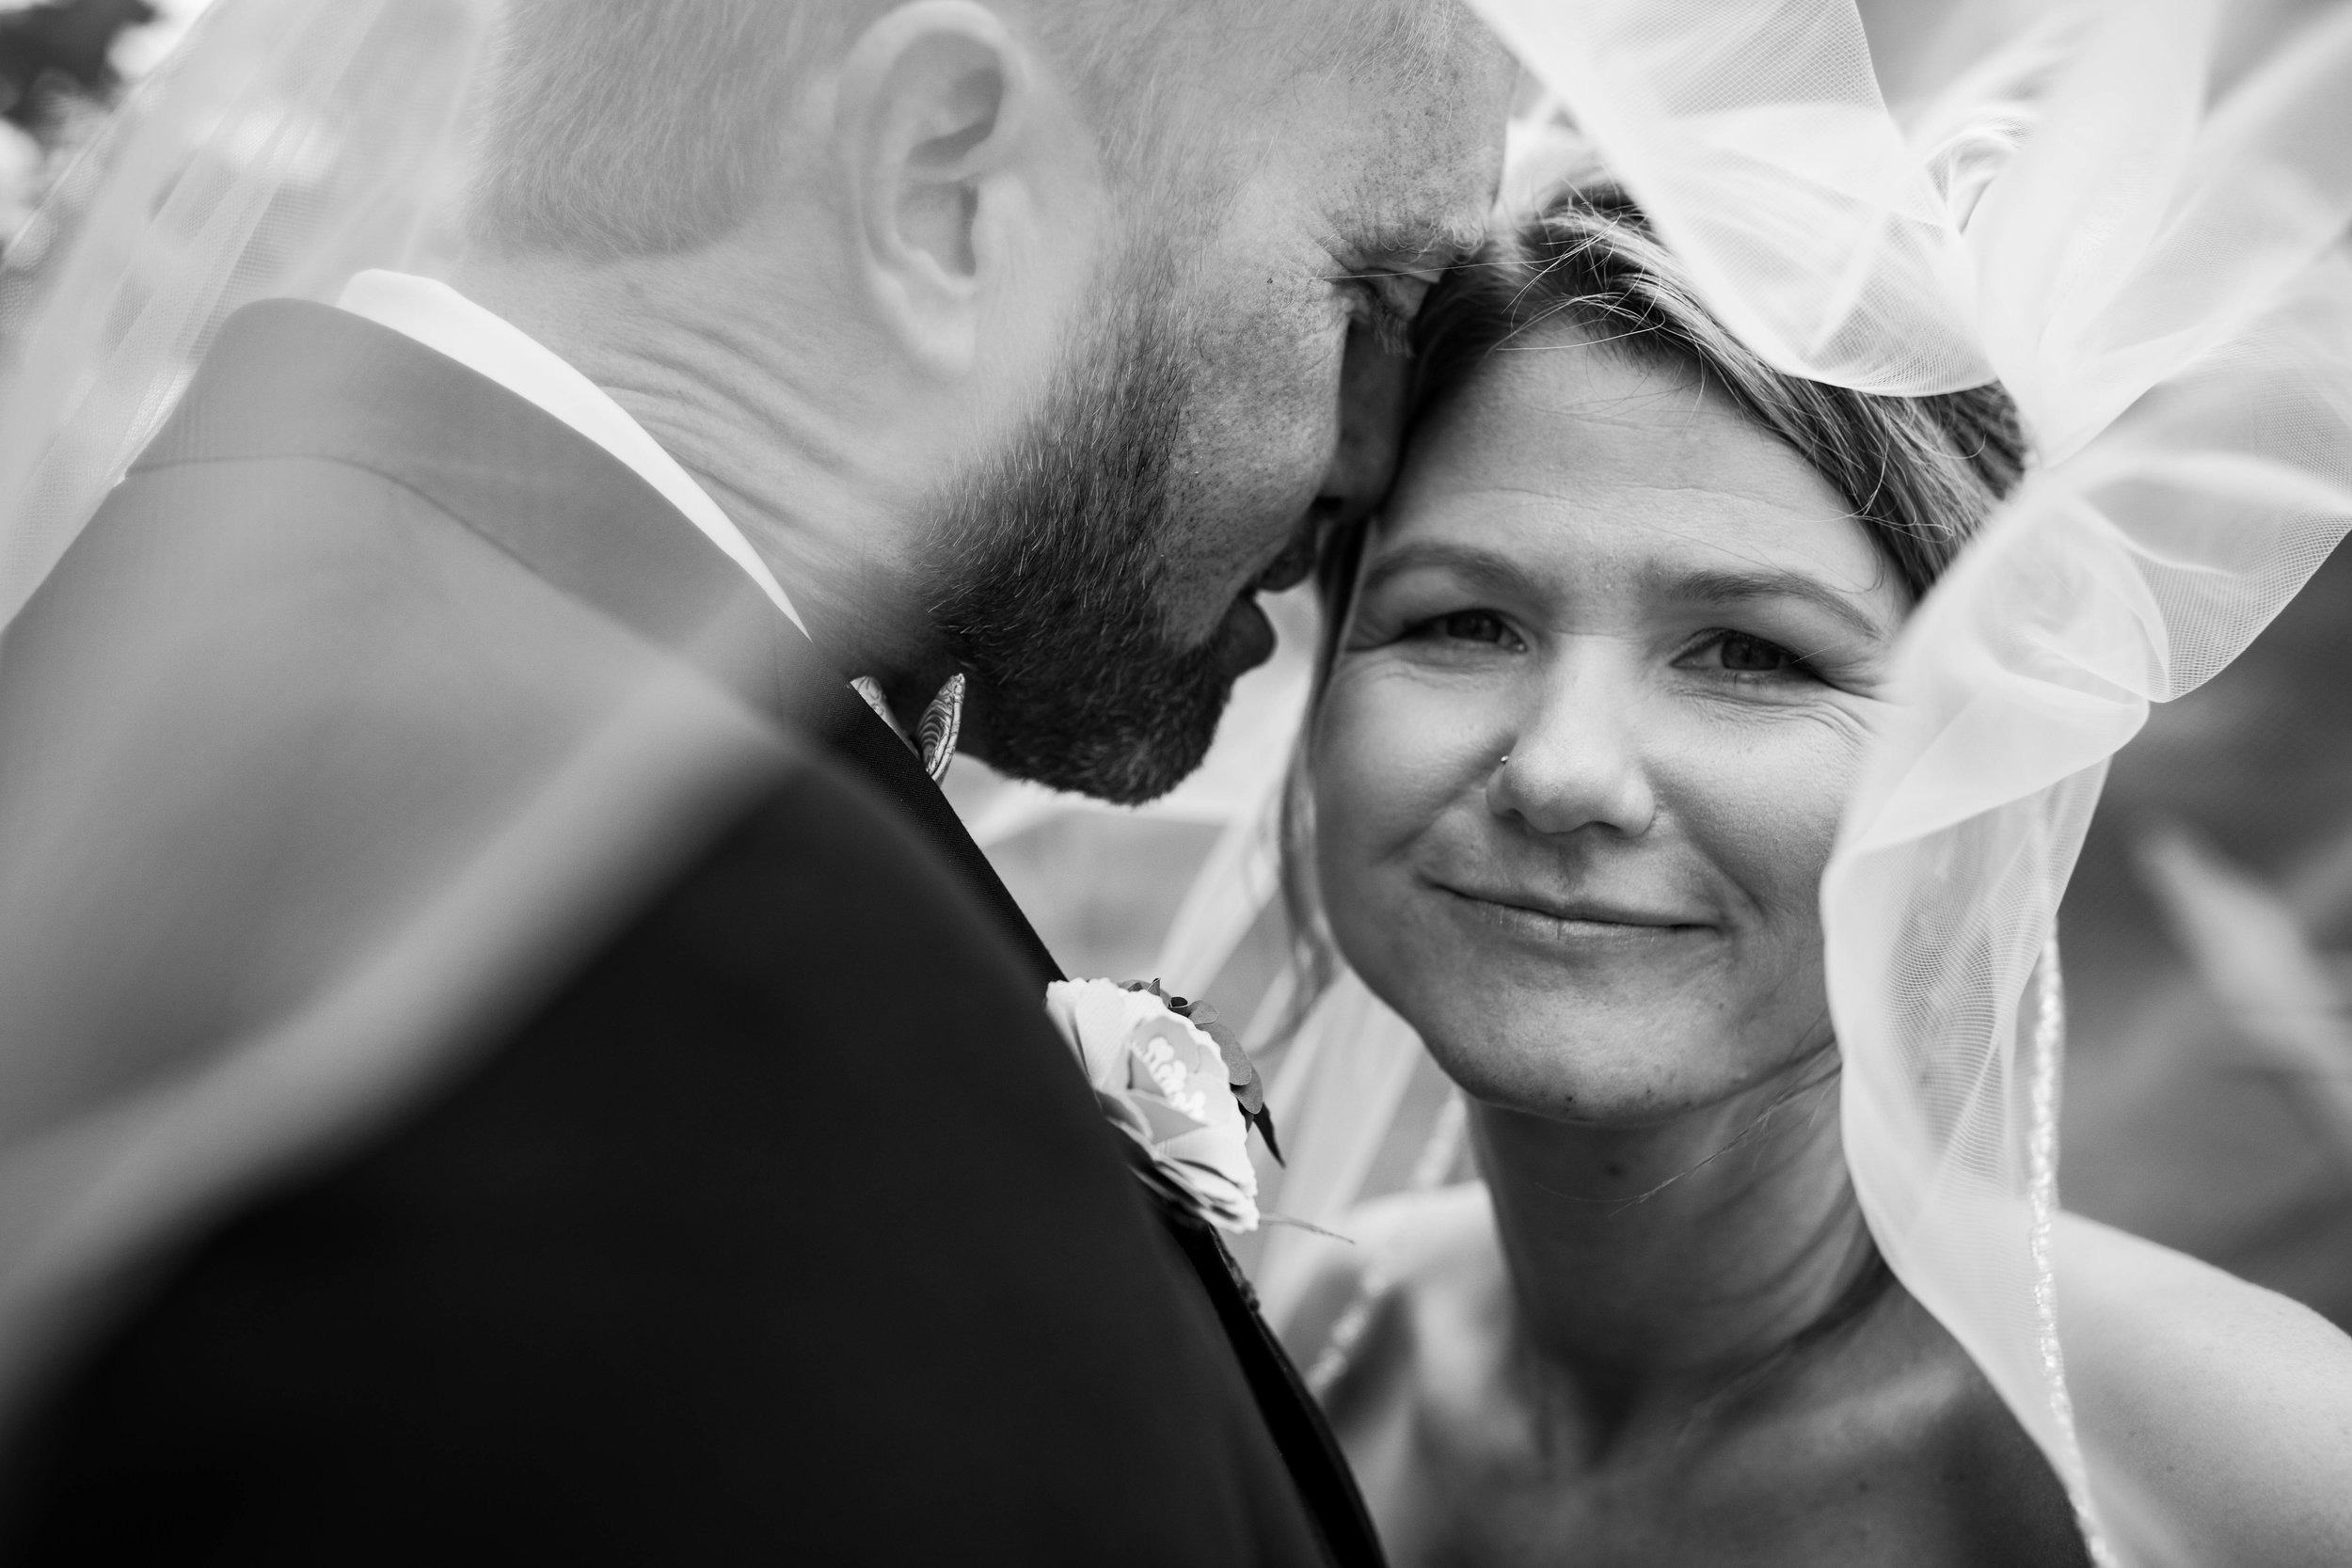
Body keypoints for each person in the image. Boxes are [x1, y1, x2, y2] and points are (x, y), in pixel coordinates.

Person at [0, 0, 1514, 1560]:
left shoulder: (222, 643)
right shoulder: (694, 950)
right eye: (1374, 299)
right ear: (946, 184)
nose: (1376, 459)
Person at [1277, 185, 2352, 1566]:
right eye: (1463, 621)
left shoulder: (2251, 1472)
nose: (1562, 773)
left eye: (1751, 653)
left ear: (1982, 759)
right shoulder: (1303, 1341)